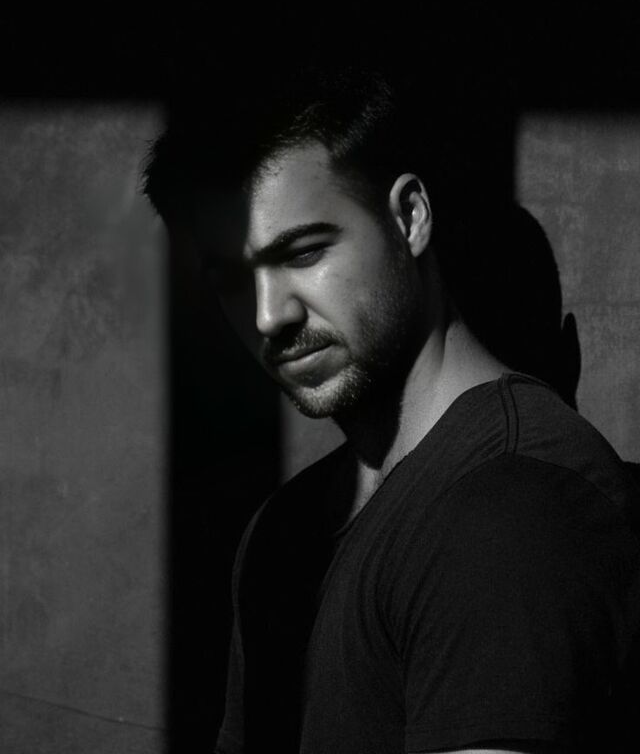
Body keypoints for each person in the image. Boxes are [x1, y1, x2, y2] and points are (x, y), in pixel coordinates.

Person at [143, 68, 640, 754]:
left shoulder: (513, 515)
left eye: (303, 253)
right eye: (231, 278)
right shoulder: (283, 533)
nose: (267, 316)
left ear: (409, 218)